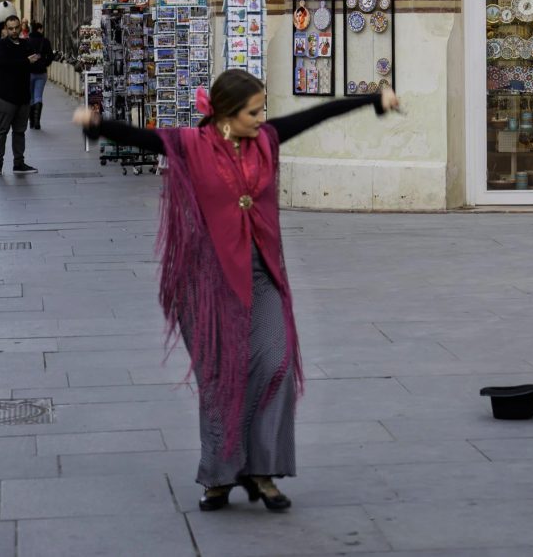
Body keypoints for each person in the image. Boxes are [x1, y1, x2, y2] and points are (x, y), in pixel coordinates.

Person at [72, 70, 401, 513]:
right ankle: (220, 476)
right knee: (221, 380)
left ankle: (261, 469)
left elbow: (317, 114)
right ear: (226, 114)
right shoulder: (191, 145)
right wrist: (95, 123)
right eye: (254, 111)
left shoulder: (266, 139)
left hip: (262, 273)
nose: (262, 118)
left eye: (263, 109)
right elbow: (140, 138)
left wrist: (372, 99)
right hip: (206, 281)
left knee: (276, 364)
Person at [0, 15, 43, 175]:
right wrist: (26, 61)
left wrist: (35, 59)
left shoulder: (26, 44)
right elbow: (5, 64)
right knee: (2, 131)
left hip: (23, 96)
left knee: (20, 131)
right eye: (10, 28)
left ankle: (18, 164)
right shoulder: (2, 45)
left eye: (16, 27)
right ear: (6, 29)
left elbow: (37, 61)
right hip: (6, 96)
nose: (14, 31)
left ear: (20, 27)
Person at [27, 22, 55, 129]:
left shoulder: (27, 41)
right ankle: (37, 122)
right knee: (38, 96)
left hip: (29, 72)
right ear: (39, 29)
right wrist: (45, 63)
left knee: (30, 97)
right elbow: (51, 56)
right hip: (41, 72)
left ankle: (31, 122)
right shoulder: (45, 41)